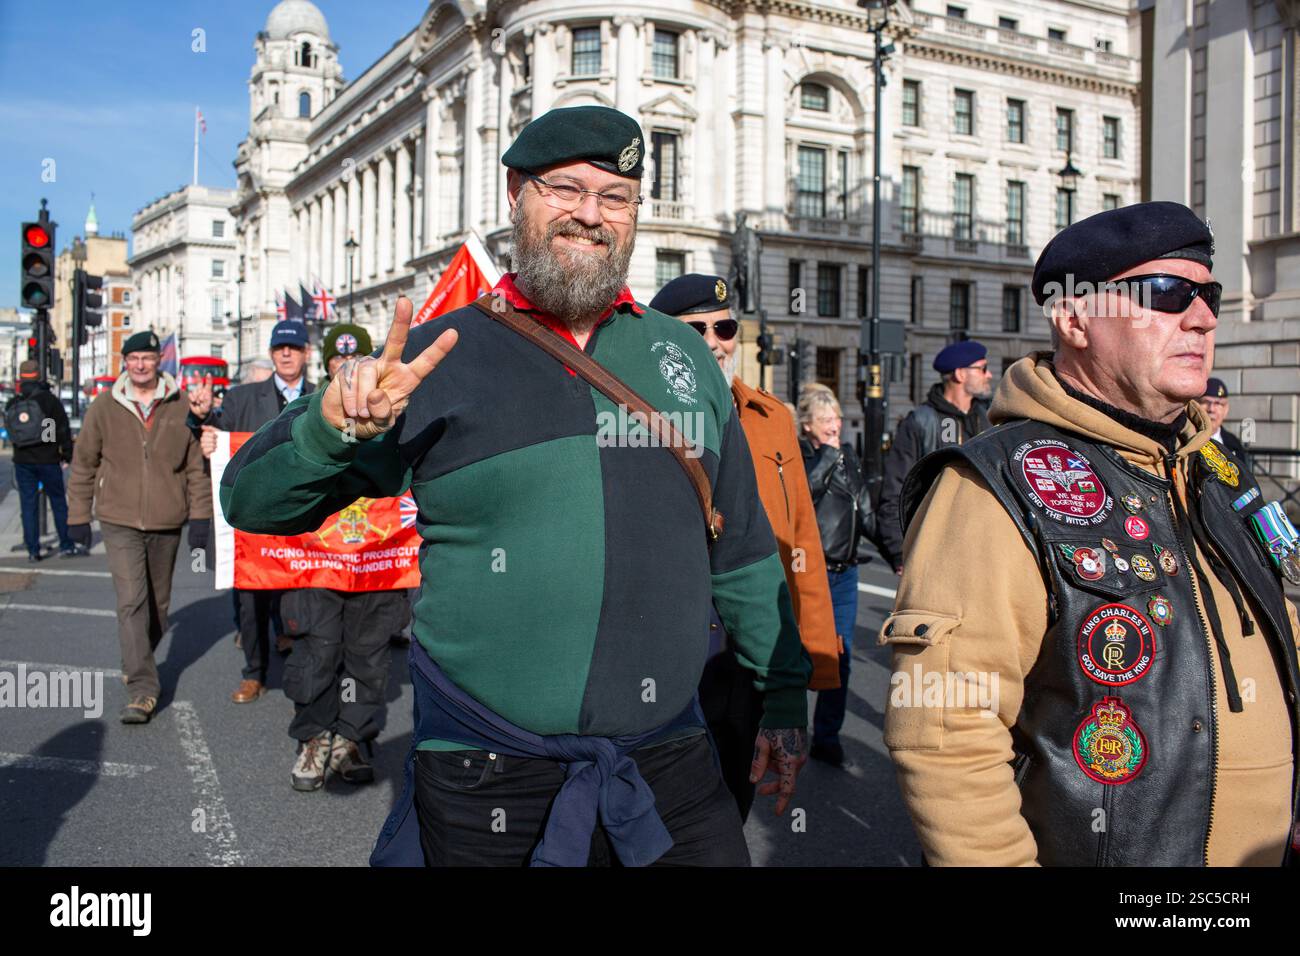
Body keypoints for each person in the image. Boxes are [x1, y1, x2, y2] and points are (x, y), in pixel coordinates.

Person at [222, 105, 811, 867]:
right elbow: (252, 503)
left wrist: (786, 691)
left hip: (670, 761)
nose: (590, 215)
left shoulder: (684, 356)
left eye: (616, 196)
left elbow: (742, 550)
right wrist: (327, 426)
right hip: (484, 772)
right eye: (564, 189)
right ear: (515, 194)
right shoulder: (436, 356)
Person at [886, 201, 1300, 866]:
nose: (1203, 318)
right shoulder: (998, 482)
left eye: (1209, 295)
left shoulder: (1212, 468)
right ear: (1075, 319)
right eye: (1167, 294)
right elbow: (947, 738)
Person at [651, 273, 837, 820]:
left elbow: (800, 541)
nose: (714, 339)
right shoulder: (633, 416)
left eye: (725, 326)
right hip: (664, 650)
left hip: (746, 651)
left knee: (728, 807)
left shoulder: (772, 418)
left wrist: (814, 667)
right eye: (696, 328)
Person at [274, 321, 412, 792]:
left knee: (368, 656)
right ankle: (313, 737)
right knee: (316, 649)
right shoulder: (300, 410)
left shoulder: (397, 415)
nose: (348, 368)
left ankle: (352, 737)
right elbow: (265, 465)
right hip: (314, 560)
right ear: (328, 366)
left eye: (357, 360)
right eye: (339, 361)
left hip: (379, 560)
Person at [66, 331, 212, 724]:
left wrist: (200, 516)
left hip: (167, 520)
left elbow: (195, 468)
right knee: (131, 600)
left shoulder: (181, 404)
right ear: (125, 363)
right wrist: (78, 517)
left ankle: (135, 658)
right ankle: (143, 689)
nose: (142, 365)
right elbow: (83, 465)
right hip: (118, 518)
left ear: (158, 361)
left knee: (158, 610)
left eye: (148, 358)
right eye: (134, 359)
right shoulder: (104, 407)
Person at [192, 320, 314, 703]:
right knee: (251, 602)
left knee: (303, 599)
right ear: (273, 353)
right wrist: (203, 426)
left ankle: (303, 668)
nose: (287, 354)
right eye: (280, 348)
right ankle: (254, 673)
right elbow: (219, 436)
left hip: (308, 517)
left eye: (294, 347)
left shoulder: (324, 394)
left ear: (306, 352)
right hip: (257, 520)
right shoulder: (243, 397)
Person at [797, 383, 878, 767]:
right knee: (797, 656)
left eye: (838, 419)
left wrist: (899, 552)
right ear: (808, 425)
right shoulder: (803, 454)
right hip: (808, 572)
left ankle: (827, 737)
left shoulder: (847, 456)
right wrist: (829, 455)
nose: (835, 425)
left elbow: (865, 510)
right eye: (826, 419)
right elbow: (803, 494)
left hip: (844, 575)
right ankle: (789, 732)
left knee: (840, 657)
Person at [876, 340, 992, 573]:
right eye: (982, 368)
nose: (989, 375)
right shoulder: (920, 422)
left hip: (984, 546)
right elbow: (895, 489)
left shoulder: (988, 417)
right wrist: (899, 551)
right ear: (960, 374)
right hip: (936, 547)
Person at [4, 360, 78, 562]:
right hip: (48, 459)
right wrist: (66, 454)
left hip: (23, 460)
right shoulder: (48, 401)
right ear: (39, 376)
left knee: (28, 505)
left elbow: (12, 432)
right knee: (58, 502)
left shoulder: (14, 403)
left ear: (21, 378)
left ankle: (33, 549)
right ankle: (65, 544)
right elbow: (58, 430)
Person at [1199, 377, 1253, 472]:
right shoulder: (1184, 440)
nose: (1211, 409)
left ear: (1226, 410)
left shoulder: (1234, 444)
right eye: (1206, 402)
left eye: (1218, 403)